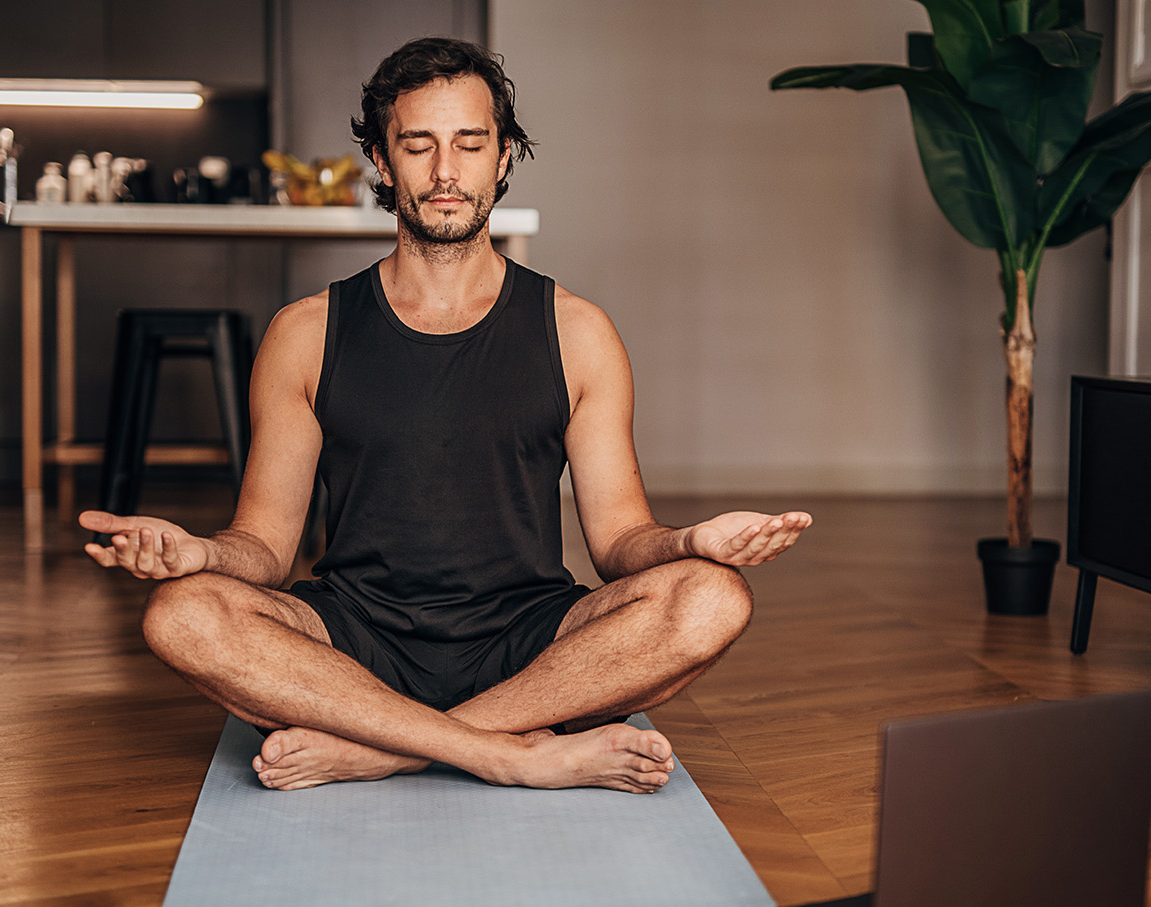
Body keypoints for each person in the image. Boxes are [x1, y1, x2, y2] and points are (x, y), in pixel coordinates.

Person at [79, 37, 810, 794]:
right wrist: (201, 556)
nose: (445, 172)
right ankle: (507, 750)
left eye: (470, 143)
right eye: (417, 145)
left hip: (530, 644)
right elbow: (264, 547)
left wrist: (693, 540)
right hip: (351, 638)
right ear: (381, 161)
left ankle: (386, 746)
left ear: (502, 157)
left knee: (712, 598)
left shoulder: (578, 332)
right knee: (181, 614)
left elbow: (620, 542)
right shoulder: (304, 333)